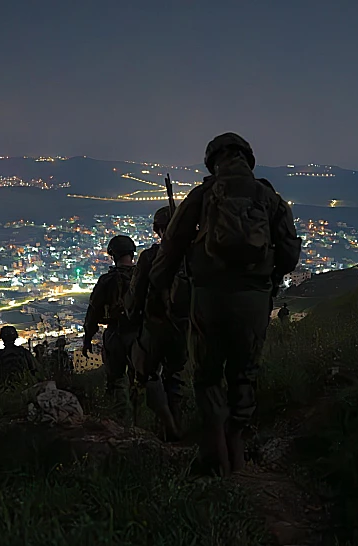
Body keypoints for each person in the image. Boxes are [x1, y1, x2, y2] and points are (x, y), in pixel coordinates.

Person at [150, 132, 301, 476]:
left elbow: (171, 247)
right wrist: (265, 278)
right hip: (254, 300)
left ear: (212, 161)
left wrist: (160, 289)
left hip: (209, 299)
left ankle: (216, 452)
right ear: (247, 159)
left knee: (207, 377)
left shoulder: (203, 195)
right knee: (244, 374)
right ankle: (237, 449)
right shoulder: (268, 196)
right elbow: (291, 255)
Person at [127, 205, 189, 441]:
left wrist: (134, 321)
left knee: (149, 375)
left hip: (154, 326)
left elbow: (135, 297)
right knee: (175, 376)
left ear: (158, 230)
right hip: (184, 327)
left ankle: (165, 423)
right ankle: (178, 424)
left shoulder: (150, 257)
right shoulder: (193, 256)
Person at [83, 235, 137, 422]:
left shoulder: (107, 280)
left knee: (116, 381)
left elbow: (94, 312)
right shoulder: (144, 276)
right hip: (143, 333)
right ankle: (147, 421)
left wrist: (87, 339)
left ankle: (123, 423)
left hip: (117, 333)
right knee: (146, 379)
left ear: (113, 255)